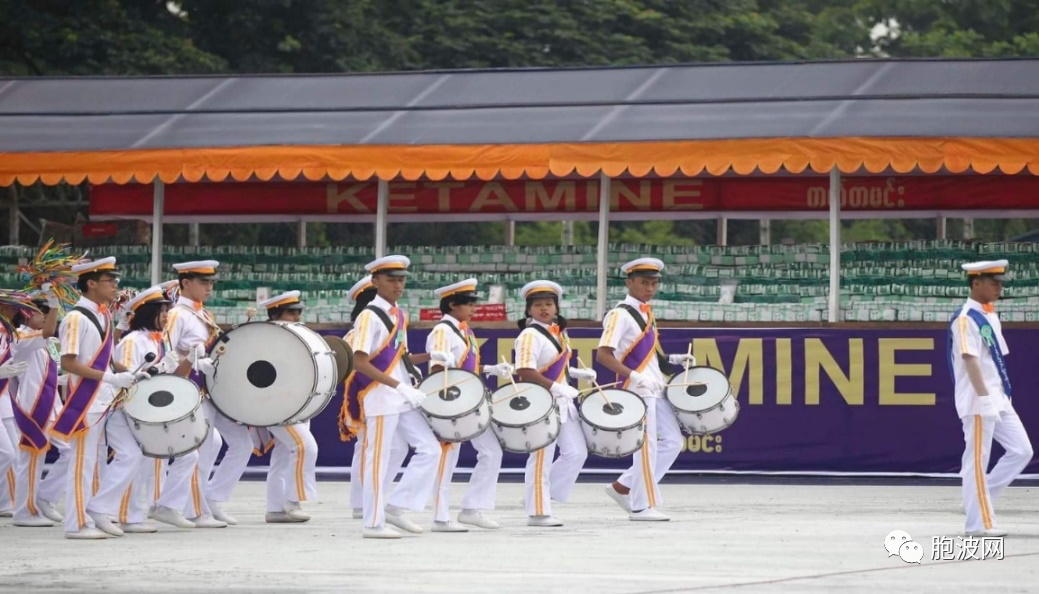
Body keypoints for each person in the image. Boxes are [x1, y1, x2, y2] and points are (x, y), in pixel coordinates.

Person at [346, 255, 450, 539]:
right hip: (380, 396)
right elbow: (360, 362)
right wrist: (399, 386)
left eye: (401, 279)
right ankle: (372, 523)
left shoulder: (398, 314)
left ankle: (396, 506)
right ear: (375, 281)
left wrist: (429, 357)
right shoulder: (369, 315)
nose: (397, 284)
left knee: (429, 450)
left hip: (401, 394)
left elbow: (399, 356)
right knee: (377, 458)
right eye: (391, 279)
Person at [54, 258, 150, 539]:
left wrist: (129, 373)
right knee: (83, 464)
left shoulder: (104, 314)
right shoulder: (75, 318)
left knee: (131, 453)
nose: (115, 286)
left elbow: (106, 359)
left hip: (107, 398)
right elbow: (69, 363)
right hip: (85, 402)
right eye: (110, 281)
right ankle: (76, 524)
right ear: (91, 283)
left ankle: (99, 508)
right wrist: (110, 378)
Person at [597, 258, 694, 522]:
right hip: (637, 388)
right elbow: (604, 355)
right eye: (643, 283)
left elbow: (653, 354)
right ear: (629, 283)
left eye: (653, 283)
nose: (649, 288)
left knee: (673, 442)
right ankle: (641, 506)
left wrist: (672, 359)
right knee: (646, 447)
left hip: (655, 386)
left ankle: (623, 487)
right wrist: (635, 376)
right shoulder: (619, 315)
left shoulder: (646, 313)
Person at [949, 259, 1034, 537]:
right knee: (976, 461)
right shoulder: (965, 319)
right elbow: (970, 359)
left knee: (1022, 450)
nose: (999, 287)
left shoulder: (989, 314)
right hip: (978, 399)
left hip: (998, 396)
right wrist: (984, 397)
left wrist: (997, 395)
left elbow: (995, 359)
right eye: (993, 282)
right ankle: (978, 524)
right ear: (976, 284)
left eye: (1000, 283)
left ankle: (976, 499)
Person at [426, 278, 514, 532]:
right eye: (469, 304)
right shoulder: (443, 330)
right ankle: (440, 517)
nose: (474, 308)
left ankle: (471, 508)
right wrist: (445, 405)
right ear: (452, 304)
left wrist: (491, 369)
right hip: (452, 402)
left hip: (471, 400)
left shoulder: (464, 330)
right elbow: (438, 368)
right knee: (447, 457)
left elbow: (467, 367)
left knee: (492, 452)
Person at [511, 280, 595, 527]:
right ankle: (537, 511)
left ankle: (539, 496)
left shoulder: (559, 332)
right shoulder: (529, 335)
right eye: (538, 305)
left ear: (556, 307)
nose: (544, 309)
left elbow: (560, 365)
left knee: (577, 452)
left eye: (549, 304)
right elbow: (524, 370)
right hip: (540, 401)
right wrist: (556, 386)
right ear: (529, 310)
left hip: (563, 402)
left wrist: (578, 374)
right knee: (541, 458)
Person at [164, 260, 236, 528]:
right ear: (185, 283)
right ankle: (193, 509)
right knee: (201, 447)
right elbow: (167, 353)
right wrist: (189, 361)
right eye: (203, 282)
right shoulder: (177, 314)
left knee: (211, 444)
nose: (209, 287)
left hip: (202, 389)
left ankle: (194, 504)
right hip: (187, 387)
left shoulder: (201, 313)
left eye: (211, 282)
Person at [106, 286, 185, 532]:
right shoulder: (133, 341)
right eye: (161, 311)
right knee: (132, 459)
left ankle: (133, 514)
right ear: (147, 312)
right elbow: (131, 379)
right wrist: (161, 368)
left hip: (147, 409)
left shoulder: (157, 340)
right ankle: (120, 514)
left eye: (166, 311)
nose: (165, 316)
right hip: (130, 409)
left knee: (143, 461)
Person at [342, 275, 408, 521]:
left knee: (391, 448)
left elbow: (398, 358)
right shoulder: (358, 329)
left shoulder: (394, 320)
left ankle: (369, 499)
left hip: (384, 392)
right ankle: (362, 504)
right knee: (368, 449)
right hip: (364, 393)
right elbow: (357, 365)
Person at [258, 290, 319, 523]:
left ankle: (274, 509)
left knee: (283, 455)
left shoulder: (297, 336)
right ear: (275, 315)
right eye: (290, 313)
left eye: (298, 312)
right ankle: (293, 501)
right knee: (305, 446)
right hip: (275, 404)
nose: (296, 317)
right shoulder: (264, 340)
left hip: (297, 402)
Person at [10, 291, 65, 527]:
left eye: (46, 311)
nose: (44, 316)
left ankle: (44, 496)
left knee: (71, 451)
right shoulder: (20, 337)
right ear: (26, 314)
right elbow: (48, 331)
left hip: (53, 405)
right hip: (32, 406)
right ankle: (24, 511)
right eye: (40, 312)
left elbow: (53, 372)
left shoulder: (49, 343)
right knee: (31, 459)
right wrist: (55, 304)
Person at [0, 291, 37, 518]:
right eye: (10, 306)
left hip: (3, 398)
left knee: (13, 453)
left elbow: (45, 333)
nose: (15, 310)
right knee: (7, 454)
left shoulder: (9, 333)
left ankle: (6, 501)